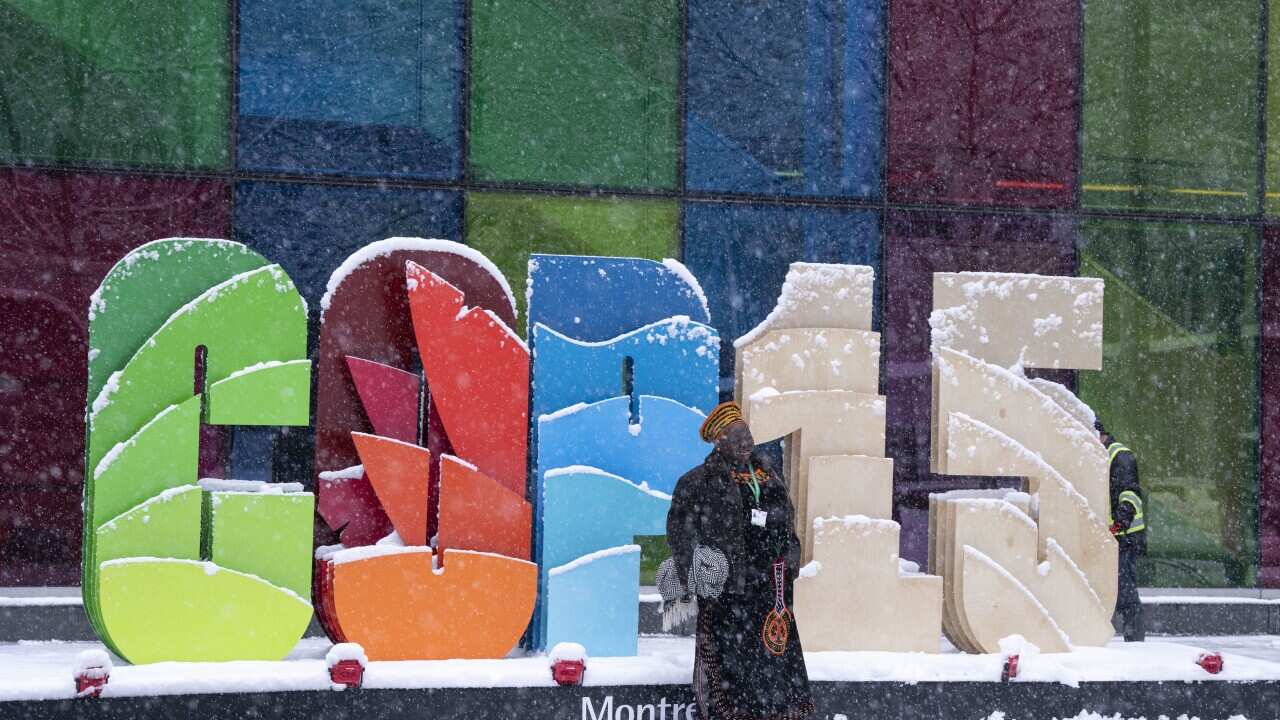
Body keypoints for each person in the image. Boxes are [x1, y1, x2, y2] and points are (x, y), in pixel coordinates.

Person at [663, 402, 813, 720]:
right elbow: (680, 535)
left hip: (769, 592)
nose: (746, 443)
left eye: (748, 435)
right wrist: (699, 577)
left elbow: (787, 526)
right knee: (730, 670)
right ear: (719, 442)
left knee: (773, 666)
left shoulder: (770, 477)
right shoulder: (697, 481)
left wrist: (791, 560)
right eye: (737, 437)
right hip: (727, 594)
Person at [1097, 418, 1146, 642]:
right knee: (1111, 586)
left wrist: (1120, 521)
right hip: (1109, 534)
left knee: (1124, 589)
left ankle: (1134, 638)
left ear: (1099, 435)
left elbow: (1131, 494)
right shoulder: (1097, 456)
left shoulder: (1119, 456)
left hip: (1124, 535)